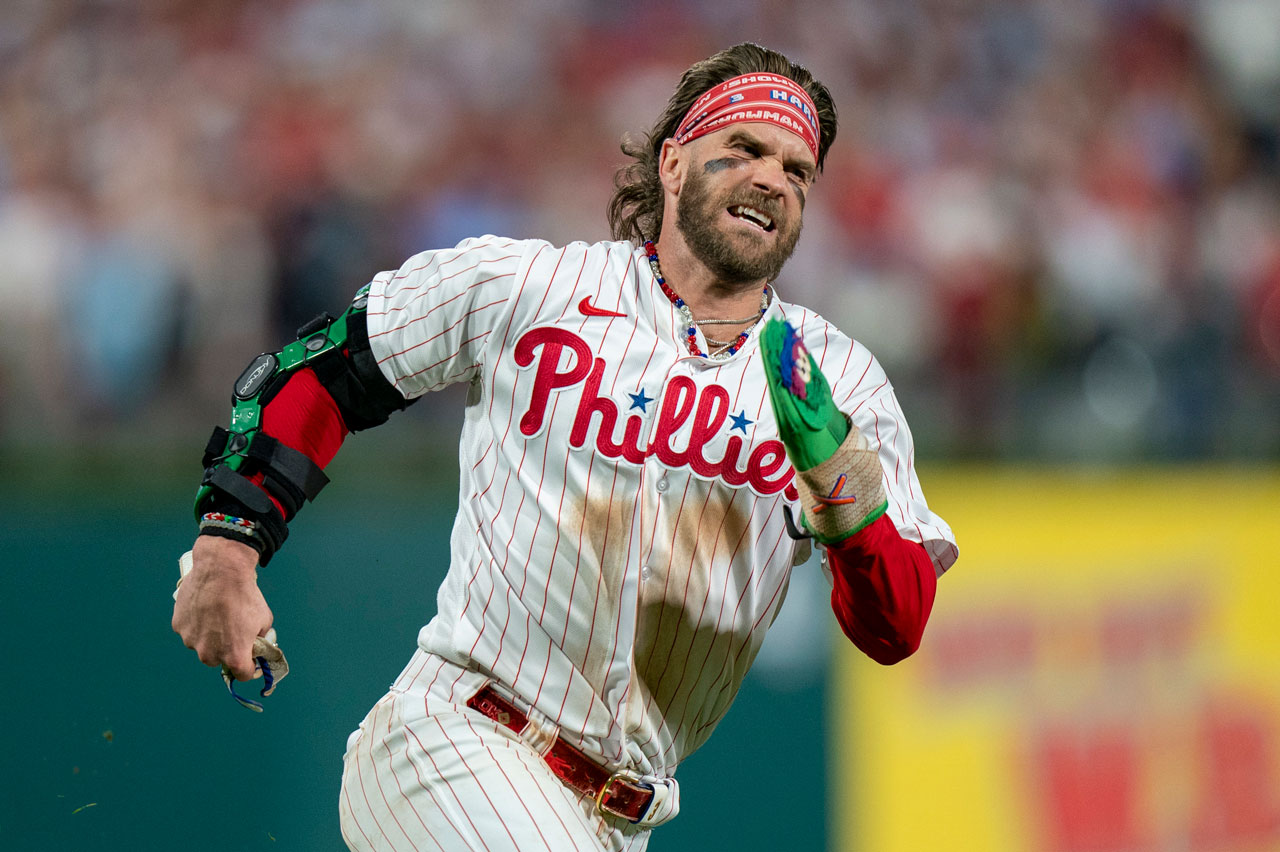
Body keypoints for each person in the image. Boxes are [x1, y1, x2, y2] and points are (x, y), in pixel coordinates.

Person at [172, 42, 958, 851]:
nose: (773, 179)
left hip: (618, 817)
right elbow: (322, 373)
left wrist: (844, 495)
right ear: (674, 164)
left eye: (798, 171)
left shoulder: (838, 384)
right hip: (456, 741)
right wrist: (230, 545)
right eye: (746, 150)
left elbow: (896, 627)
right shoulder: (530, 288)